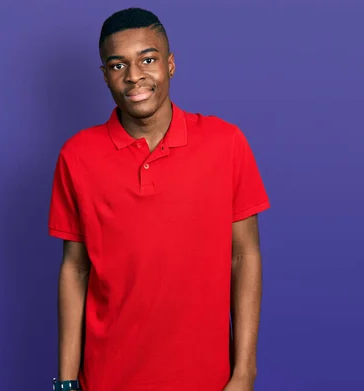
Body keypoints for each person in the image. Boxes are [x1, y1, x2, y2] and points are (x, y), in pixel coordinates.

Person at [48, 7, 270, 391]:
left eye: (147, 59)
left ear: (170, 64)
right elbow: (75, 270)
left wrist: (244, 371)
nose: (134, 76)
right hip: (107, 379)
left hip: (208, 380)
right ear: (104, 76)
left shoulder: (225, 143)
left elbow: (244, 255)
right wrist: (66, 382)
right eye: (118, 65)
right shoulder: (77, 156)